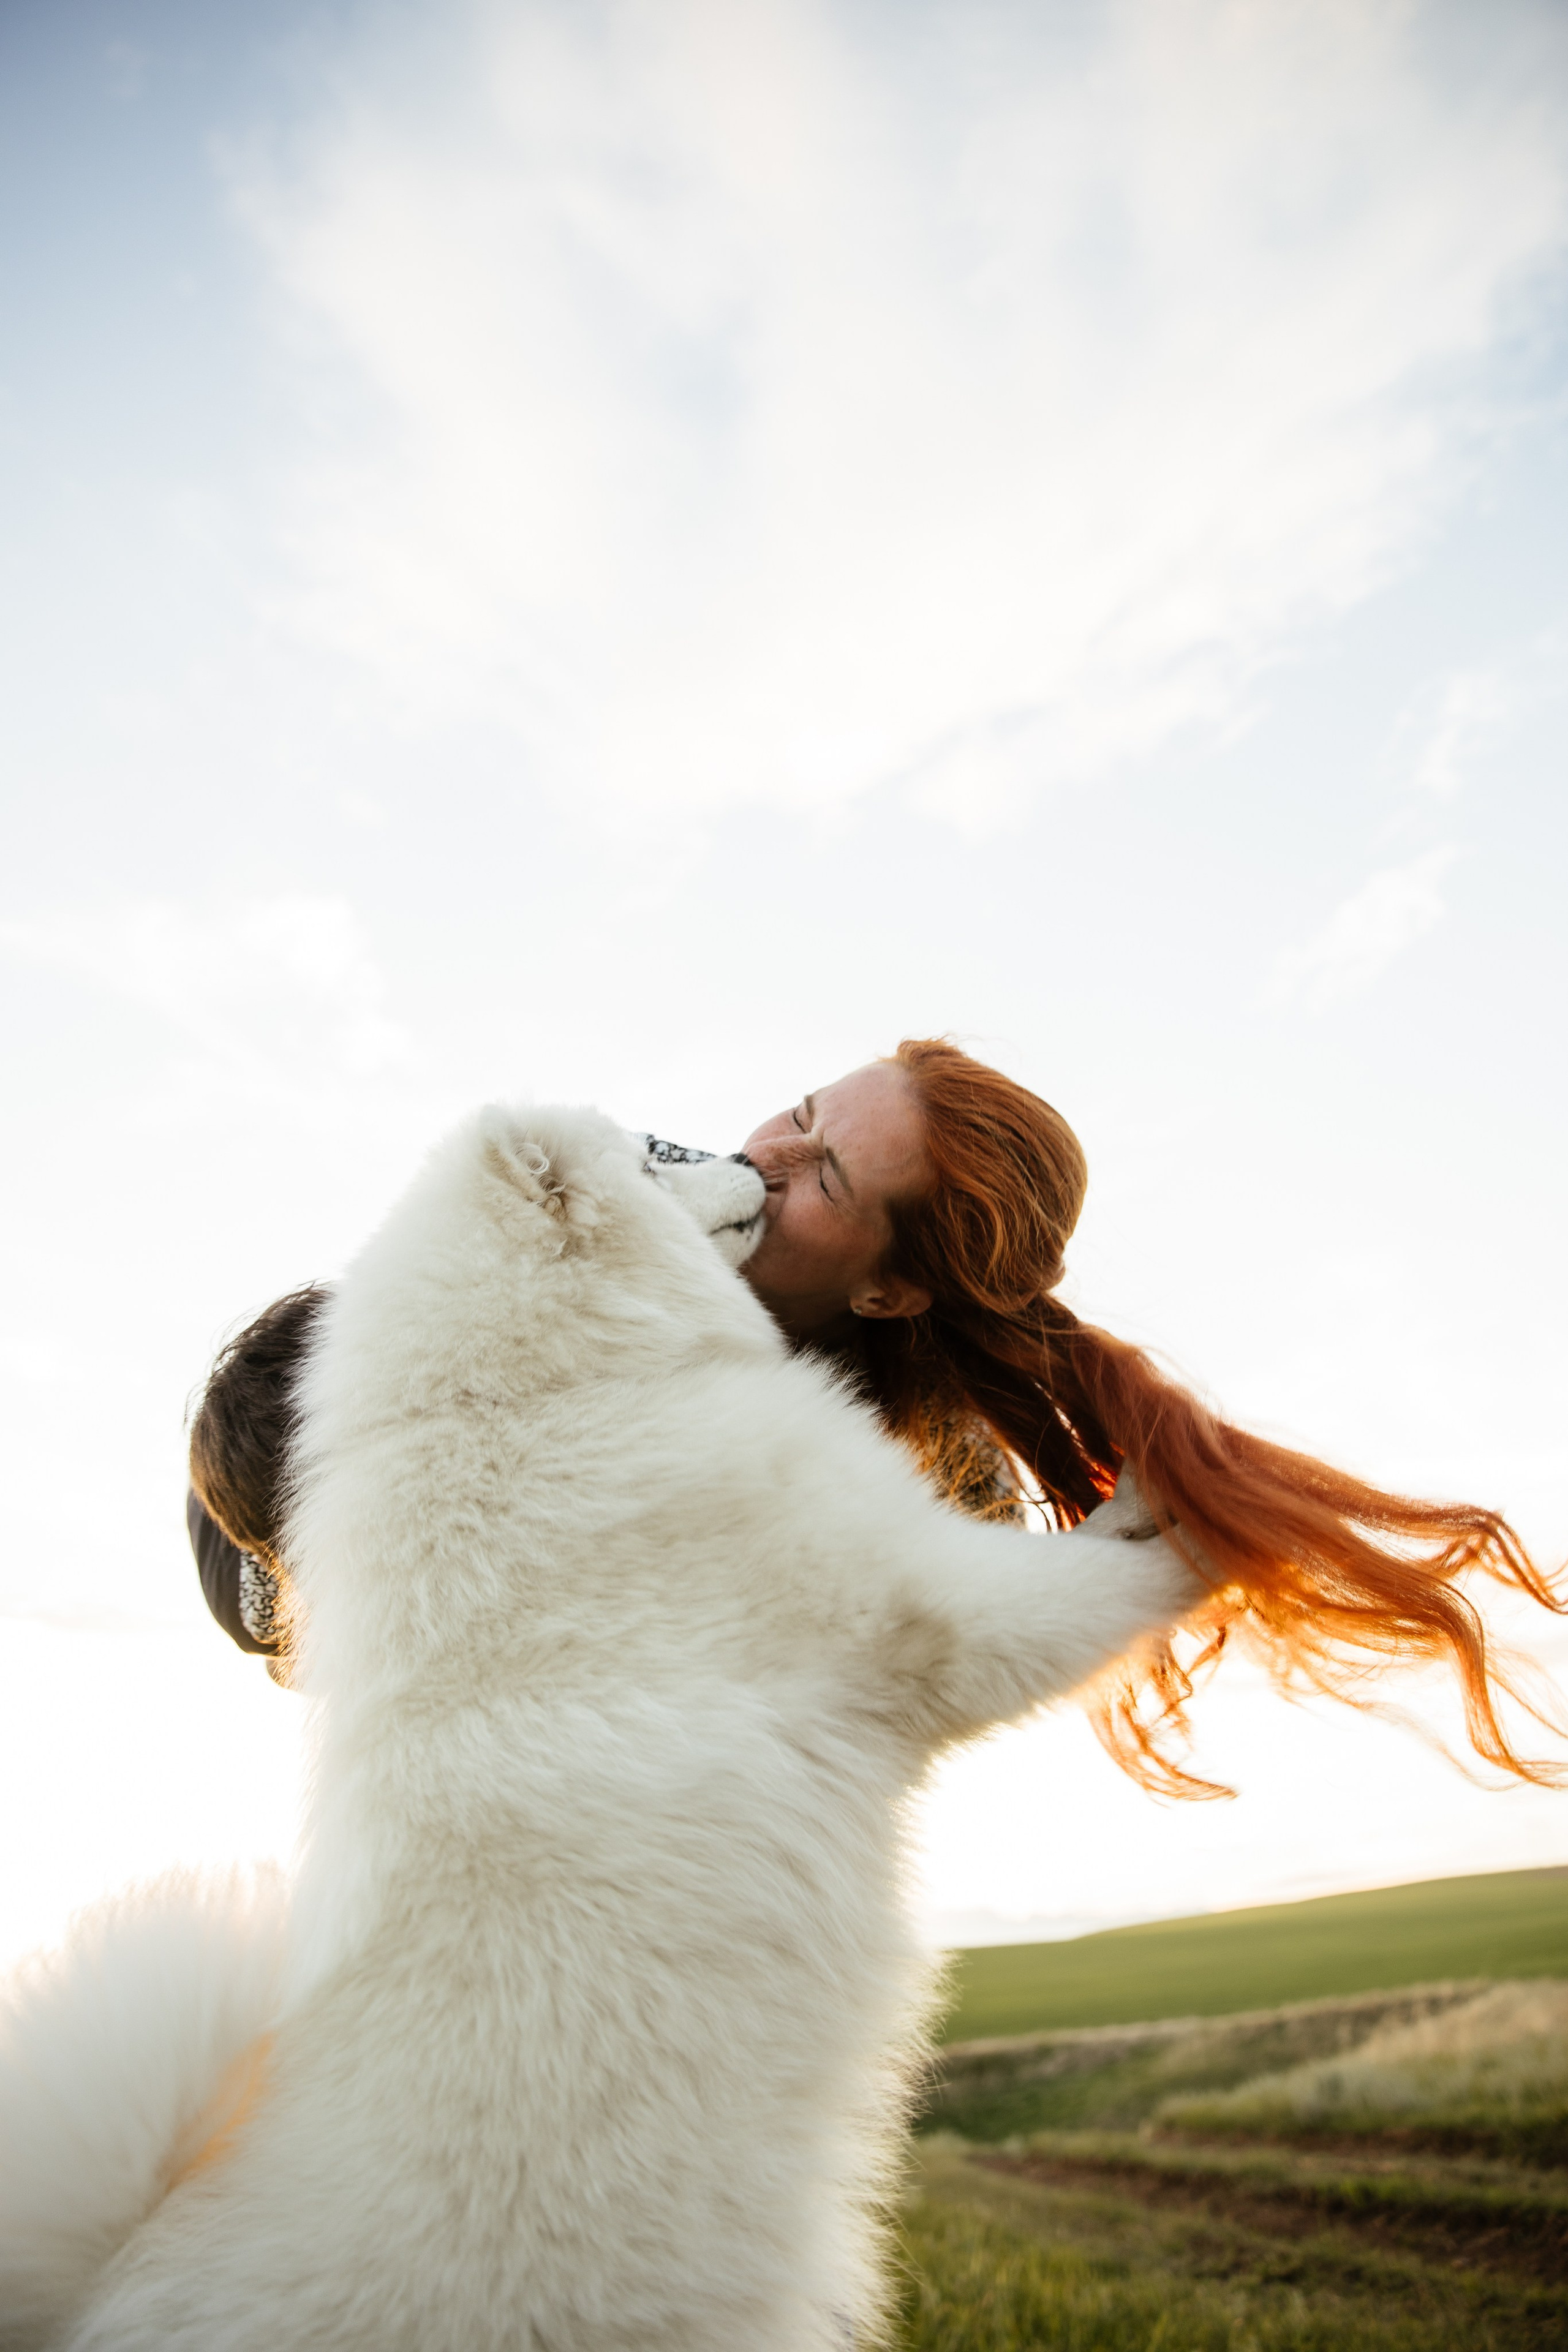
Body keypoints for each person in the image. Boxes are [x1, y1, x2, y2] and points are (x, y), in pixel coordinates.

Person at [187, 1036, 1563, 1785]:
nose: (764, 1153)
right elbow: (259, 1453)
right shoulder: (619, 1218)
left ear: (896, 1293)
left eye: (825, 1177)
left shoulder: (912, 1494)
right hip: (358, 1659)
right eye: (797, 1110)